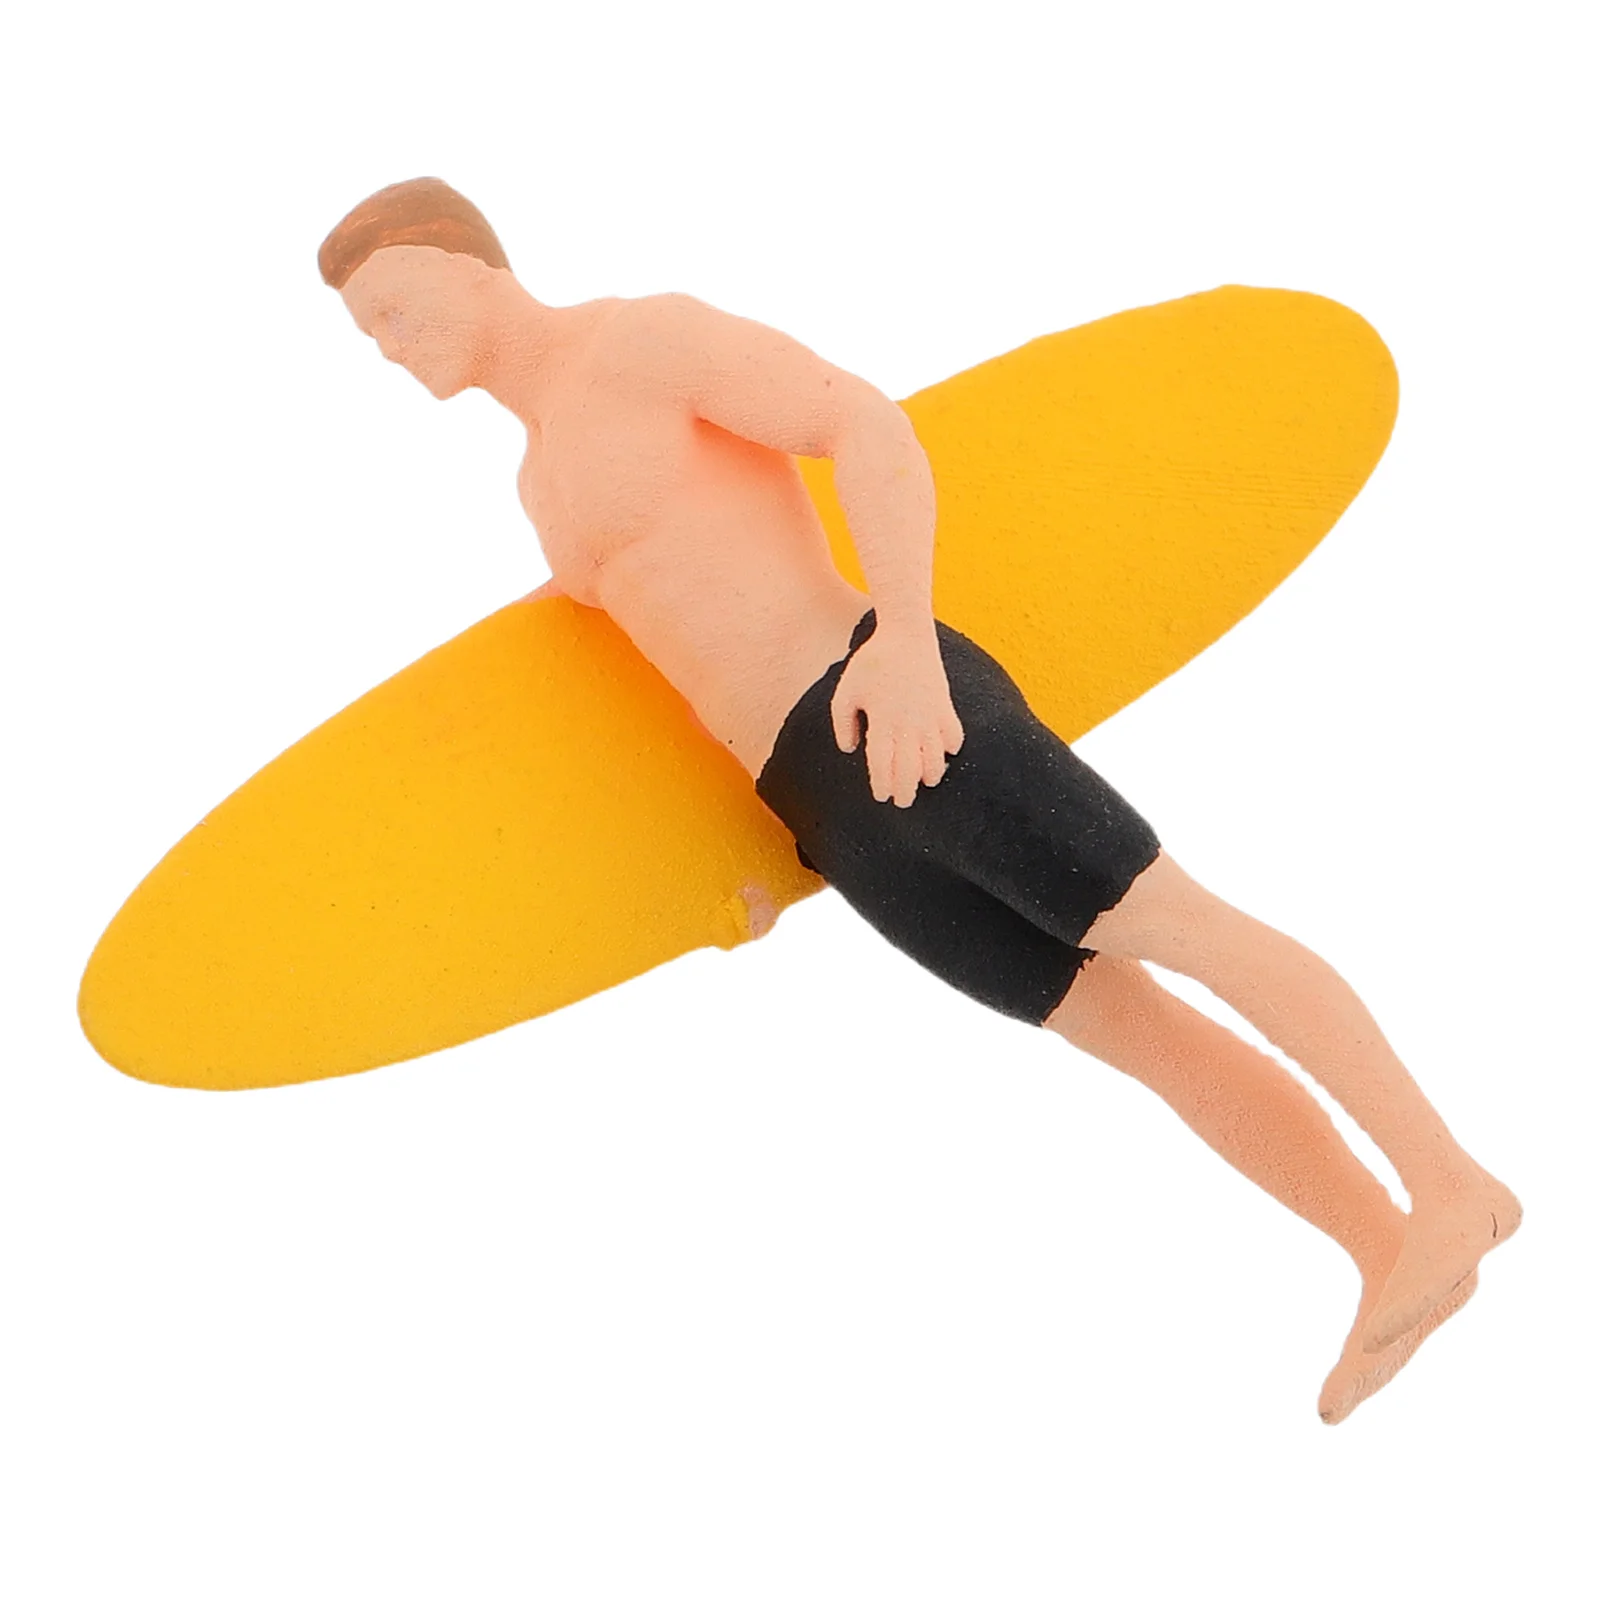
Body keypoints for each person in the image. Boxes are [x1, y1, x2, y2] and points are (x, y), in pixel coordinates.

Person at [319, 176, 1519, 1423]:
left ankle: (1449, 1183)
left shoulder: (642, 341)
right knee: (1132, 1034)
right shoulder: (538, 489)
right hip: (817, 803)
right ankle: (1381, 1250)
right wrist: (749, 860)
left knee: (1174, 922)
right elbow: (672, 684)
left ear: (463, 263)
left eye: (395, 309)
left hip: (884, 701)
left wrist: (901, 643)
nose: (390, 348)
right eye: (369, 334)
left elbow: (861, 420)